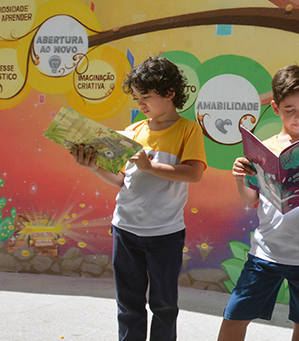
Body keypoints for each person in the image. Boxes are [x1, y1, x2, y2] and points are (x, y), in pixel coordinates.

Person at [71, 56, 207, 341]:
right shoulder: (133, 131)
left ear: (169, 93)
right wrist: (93, 166)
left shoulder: (188, 130)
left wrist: (151, 166)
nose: (140, 104)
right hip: (125, 230)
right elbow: (122, 181)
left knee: (164, 304)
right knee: (129, 305)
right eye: (136, 98)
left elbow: (194, 173)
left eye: (146, 96)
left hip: (165, 234)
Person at [219, 65, 299, 341]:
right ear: (276, 108)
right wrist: (239, 178)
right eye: (289, 109)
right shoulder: (264, 150)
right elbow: (251, 198)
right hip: (266, 253)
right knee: (234, 317)